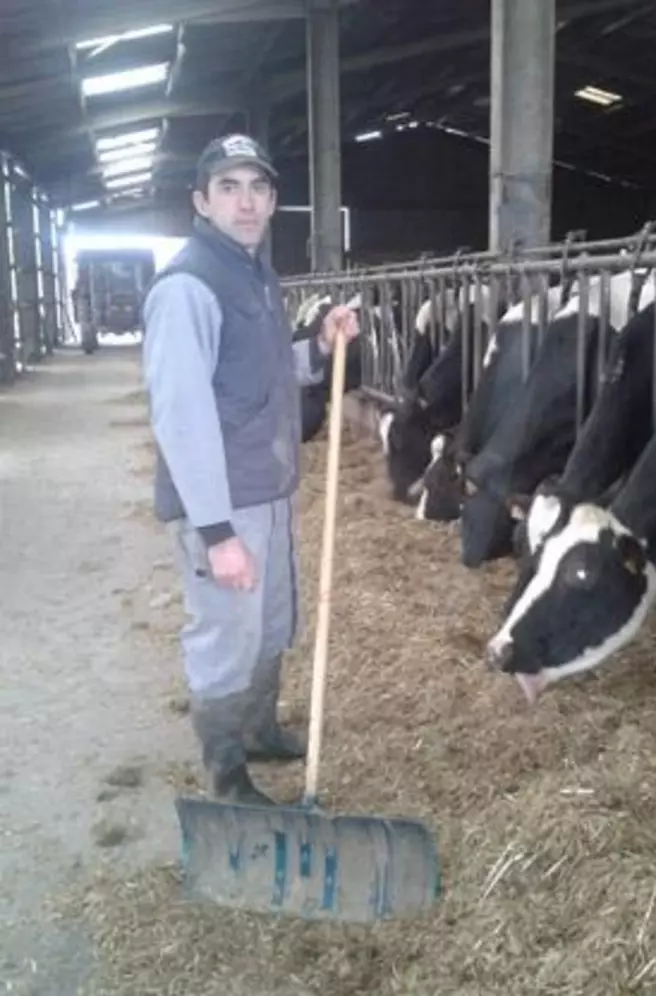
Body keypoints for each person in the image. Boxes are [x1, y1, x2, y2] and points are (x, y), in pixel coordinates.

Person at [141, 133, 359, 806]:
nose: (246, 202)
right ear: (201, 201)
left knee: (269, 620)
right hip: (224, 503)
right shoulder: (187, 287)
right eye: (229, 188)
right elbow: (182, 416)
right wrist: (216, 532)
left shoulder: (254, 273)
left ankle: (259, 729)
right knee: (225, 633)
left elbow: (262, 375)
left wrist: (317, 346)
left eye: (257, 188)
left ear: (272, 200)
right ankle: (227, 772)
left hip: (265, 490)